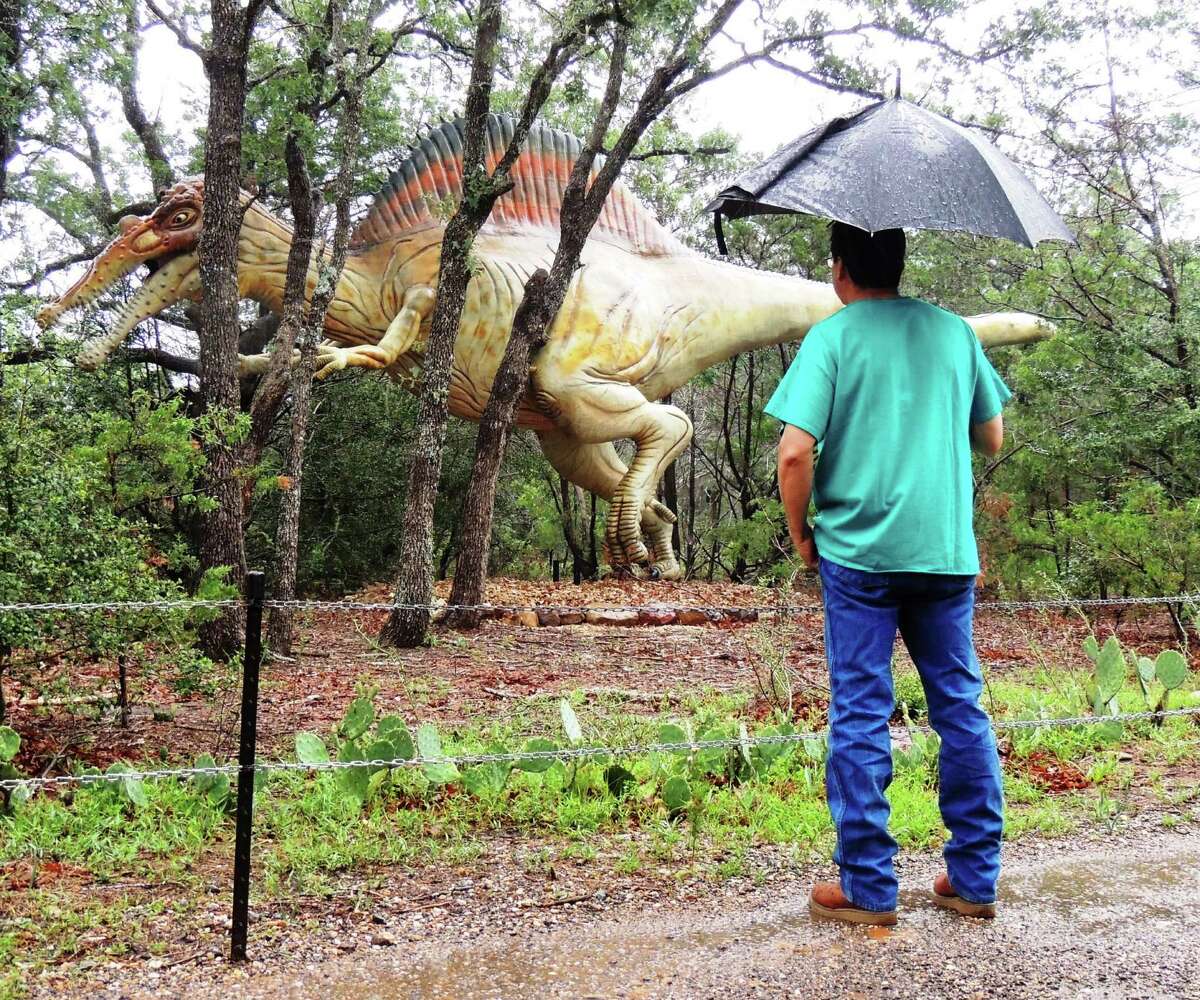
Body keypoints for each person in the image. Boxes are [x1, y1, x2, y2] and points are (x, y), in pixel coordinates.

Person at [767, 221, 1009, 926]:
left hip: (859, 558)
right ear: (900, 264)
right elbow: (991, 435)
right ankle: (974, 881)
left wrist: (801, 534)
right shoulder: (955, 333)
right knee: (960, 706)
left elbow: (793, 453)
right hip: (943, 555)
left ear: (840, 269)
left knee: (862, 711)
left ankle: (870, 889)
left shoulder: (833, 337)